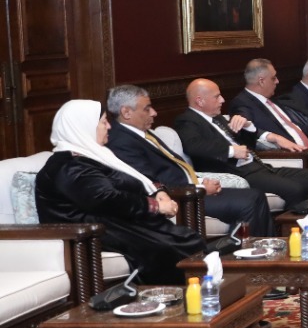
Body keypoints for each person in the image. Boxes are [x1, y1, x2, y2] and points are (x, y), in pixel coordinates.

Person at [35, 100, 205, 285]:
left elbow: (134, 177)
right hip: (89, 232)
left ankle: (203, 290)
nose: (109, 126)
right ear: (83, 127)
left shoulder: (95, 155)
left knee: (187, 239)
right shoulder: (68, 165)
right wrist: (156, 206)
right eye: (103, 122)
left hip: (115, 221)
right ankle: (178, 297)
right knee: (170, 248)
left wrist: (158, 191)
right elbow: (106, 199)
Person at [104, 84, 272, 240]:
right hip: (181, 197)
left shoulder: (142, 134)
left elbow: (173, 169)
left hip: (190, 188)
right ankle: (246, 254)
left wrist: (200, 181)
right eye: (147, 108)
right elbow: (148, 182)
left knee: (255, 195)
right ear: (126, 112)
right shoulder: (121, 142)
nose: (154, 113)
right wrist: (199, 188)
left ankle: (262, 250)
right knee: (249, 201)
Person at [173, 78, 308, 212]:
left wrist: (248, 126)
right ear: (200, 101)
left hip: (259, 166)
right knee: (295, 189)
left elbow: (248, 145)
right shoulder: (187, 120)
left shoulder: (218, 118)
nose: (222, 100)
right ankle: (295, 226)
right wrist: (231, 151)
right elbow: (194, 146)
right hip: (239, 173)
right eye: (217, 96)